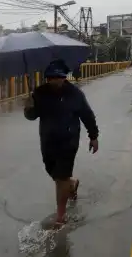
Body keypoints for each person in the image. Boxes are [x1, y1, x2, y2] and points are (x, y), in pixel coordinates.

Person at [24, 60, 99, 228]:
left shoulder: (75, 94)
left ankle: (60, 214)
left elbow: (87, 115)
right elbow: (32, 116)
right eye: (51, 78)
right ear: (47, 78)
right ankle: (72, 184)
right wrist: (28, 107)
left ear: (64, 77)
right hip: (48, 139)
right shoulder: (39, 92)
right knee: (53, 172)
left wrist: (93, 136)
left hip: (69, 139)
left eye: (58, 77)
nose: (55, 81)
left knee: (61, 176)